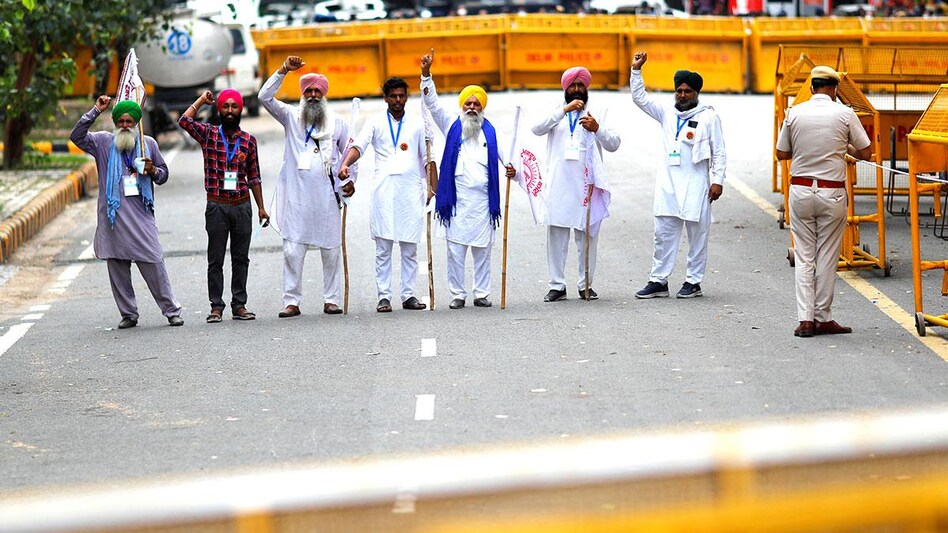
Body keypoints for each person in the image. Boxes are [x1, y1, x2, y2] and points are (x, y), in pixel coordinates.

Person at [69, 96, 184, 329]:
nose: (124, 125)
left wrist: (153, 170)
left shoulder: (148, 143)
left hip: (141, 217)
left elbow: (163, 175)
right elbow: (77, 136)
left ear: (136, 123)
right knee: (118, 268)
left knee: (154, 261)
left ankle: (171, 310)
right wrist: (96, 110)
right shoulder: (103, 143)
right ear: (115, 122)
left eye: (128, 121)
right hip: (113, 219)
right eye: (120, 121)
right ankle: (128, 313)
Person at [776, 66, 872, 338]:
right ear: (836, 89)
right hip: (832, 193)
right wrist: (843, 148)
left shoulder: (794, 113)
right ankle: (823, 317)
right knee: (828, 256)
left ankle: (805, 320)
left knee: (804, 256)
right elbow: (865, 152)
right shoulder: (845, 113)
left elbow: (782, 153)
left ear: (811, 87)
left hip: (801, 191)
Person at [419, 49, 516, 309]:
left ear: (482, 107)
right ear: (462, 106)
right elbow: (432, 104)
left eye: (476, 104)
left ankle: (481, 293)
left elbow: (508, 158)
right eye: (468, 104)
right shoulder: (451, 125)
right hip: (457, 202)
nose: (472, 108)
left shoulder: (491, 133)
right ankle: (458, 295)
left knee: (483, 251)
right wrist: (426, 75)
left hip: (483, 203)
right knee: (455, 252)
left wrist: (512, 170)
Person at [259, 55, 354, 318]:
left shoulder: (337, 121)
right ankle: (291, 301)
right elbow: (264, 97)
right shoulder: (291, 116)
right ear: (302, 94)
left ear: (324, 95)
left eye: (317, 91)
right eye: (308, 91)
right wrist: (283, 70)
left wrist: (349, 181)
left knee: (331, 250)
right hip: (297, 197)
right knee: (292, 250)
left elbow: (349, 153)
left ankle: (331, 300)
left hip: (327, 197)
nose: (312, 95)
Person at [630, 51, 727, 300]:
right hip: (668, 186)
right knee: (663, 235)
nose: (682, 95)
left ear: (696, 93)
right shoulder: (667, 113)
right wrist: (636, 70)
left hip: (696, 185)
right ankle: (658, 281)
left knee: (698, 236)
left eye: (687, 91)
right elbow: (640, 98)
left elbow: (719, 152)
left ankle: (693, 282)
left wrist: (718, 181)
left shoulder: (709, 117)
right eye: (679, 91)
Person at [338, 77, 434, 313]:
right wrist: (345, 164)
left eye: (401, 96)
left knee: (409, 247)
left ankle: (408, 295)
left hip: (410, 191)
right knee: (383, 248)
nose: (398, 100)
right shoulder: (375, 121)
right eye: (393, 96)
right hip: (383, 191)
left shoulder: (417, 122)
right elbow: (359, 146)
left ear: (406, 97)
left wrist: (433, 187)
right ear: (385, 98)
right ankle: (384, 297)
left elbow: (427, 157)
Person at [179, 89, 270, 323]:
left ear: (241, 110)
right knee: (215, 259)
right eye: (225, 106)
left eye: (234, 106)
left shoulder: (248, 141)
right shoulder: (209, 135)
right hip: (217, 206)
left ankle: (239, 305)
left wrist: (261, 207)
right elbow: (184, 121)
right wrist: (201, 100)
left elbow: (254, 177)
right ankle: (216, 306)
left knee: (241, 259)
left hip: (242, 206)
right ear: (219, 109)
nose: (230, 111)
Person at [532, 66, 621, 302]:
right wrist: (564, 111)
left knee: (587, 237)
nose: (577, 89)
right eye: (572, 85)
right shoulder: (555, 110)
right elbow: (536, 128)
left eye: (581, 85)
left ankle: (586, 284)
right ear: (565, 88)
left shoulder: (597, 111)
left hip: (587, 185)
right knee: (556, 236)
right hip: (559, 184)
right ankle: (557, 285)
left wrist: (597, 128)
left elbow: (614, 144)